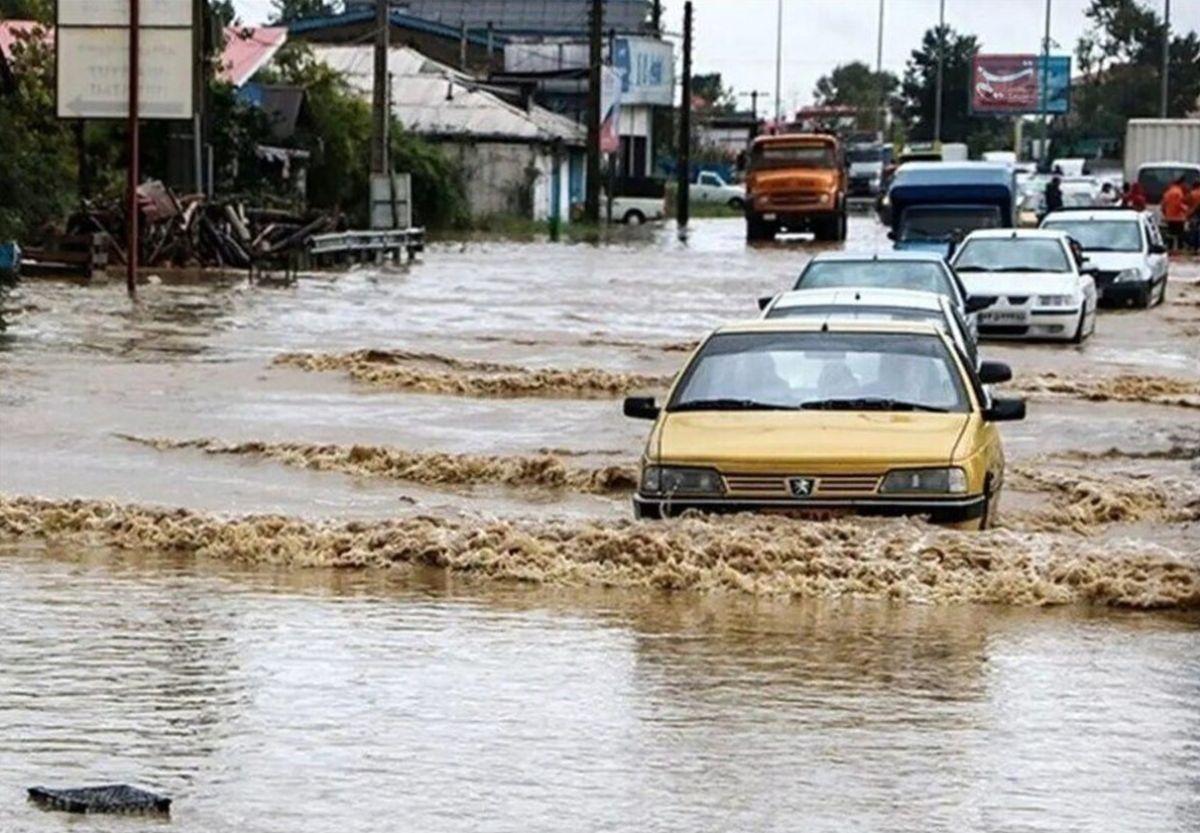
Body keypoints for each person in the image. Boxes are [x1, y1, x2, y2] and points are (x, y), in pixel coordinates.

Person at [1161, 177, 1188, 251]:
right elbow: (1179, 204)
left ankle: (1170, 248)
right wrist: (1186, 209)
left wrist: (1166, 214)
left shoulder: (1167, 192)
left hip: (1169, 218)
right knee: (1180, 235)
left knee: (1170, 234)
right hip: (1179, 218)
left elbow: (1163, 206)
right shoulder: (1178, 192)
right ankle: (1179, 249)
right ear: (1181, 184)